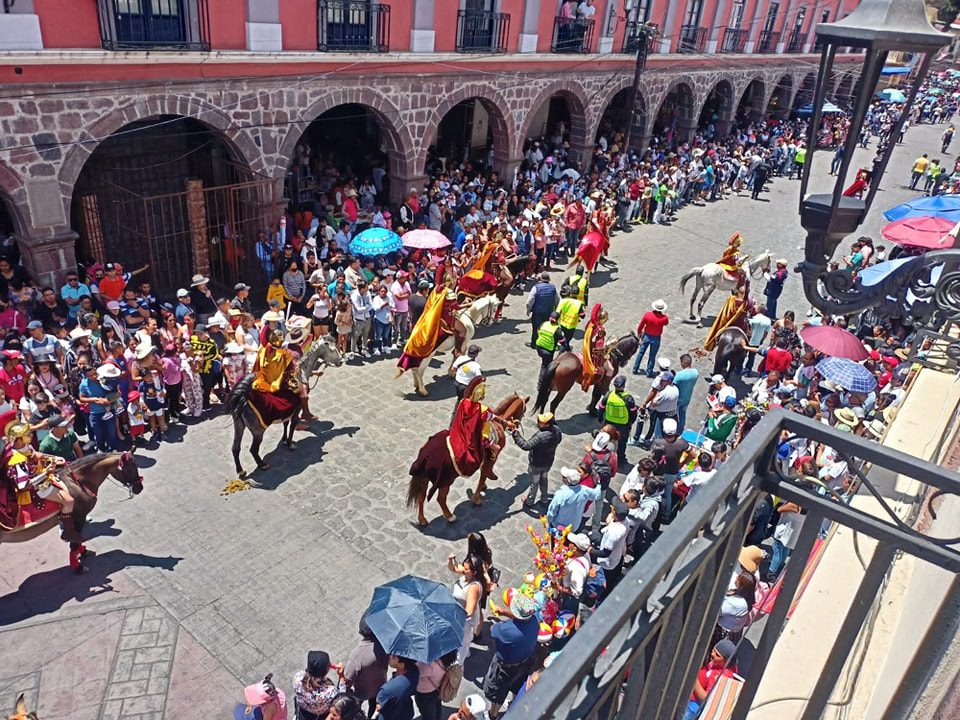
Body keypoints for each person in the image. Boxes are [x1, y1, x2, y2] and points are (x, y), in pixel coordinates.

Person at [483, 594, 539, 718]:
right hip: (526, 661)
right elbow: (521, 618)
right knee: (518, 685)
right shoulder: (535, 619)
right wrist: (503, 612)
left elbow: (493, 630)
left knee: (498, 692)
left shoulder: (506, 630)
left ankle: (492, 715)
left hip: (505, 668)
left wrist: (503, 615)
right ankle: (514, 703)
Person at [509, 411, 562, 507]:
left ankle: (530, 501)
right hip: (548, 462)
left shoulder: (540, 436)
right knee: (544, 479)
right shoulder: (557, 430)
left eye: (541, 422)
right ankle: (544, 498)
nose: (538, 423)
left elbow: (526, 445)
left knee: (534, 482)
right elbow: (559, 440)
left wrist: (515, 433)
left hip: (536, 464)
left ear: (547, 424)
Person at [343, 618, 389, 718]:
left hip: (361, 692)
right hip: (380, 687)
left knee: (355, 711)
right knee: (374, 710)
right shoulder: (386, 644)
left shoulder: (357, 655)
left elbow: (347, 681)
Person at [682, 640, 738, 720]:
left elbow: (706, 699)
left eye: (717, 655)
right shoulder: (718, 663)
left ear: (726, 661)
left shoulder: (720, 677)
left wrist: (693, 679)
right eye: (714, 650)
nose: (712, 654)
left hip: (693, 705)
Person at [650, 418, 689, 525]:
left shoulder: (658, 442)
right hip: (672, 473)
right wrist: (682, 464)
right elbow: (692, 454)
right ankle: (665, 516)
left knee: (654, 492)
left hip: (658, 472)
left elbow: (653, 457)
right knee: (667, 495)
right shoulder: (682, 443)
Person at [449, 553, 484, 663]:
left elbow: (469, 611)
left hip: (463, 619)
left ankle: (459, 663)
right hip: (458, 612)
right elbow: (453, 568)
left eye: (466, 568)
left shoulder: (473, 588)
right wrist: (451, 560)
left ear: (474, 572)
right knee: (462, 638)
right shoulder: (466, 574)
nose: (463, 569)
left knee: (463, 640)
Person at [631, 371, 678, 450]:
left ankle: (642, 440)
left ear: (669, 381)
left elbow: (654, 403)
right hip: (668, 412)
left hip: (658, 411)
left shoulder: (664, 392)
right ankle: (647, 439)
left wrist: (645, 404)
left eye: (664, 380)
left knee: (650, 424)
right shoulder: (676, 389)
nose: (661, 381)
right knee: (653, 426)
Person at [294, 650, 347, 720]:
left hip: (303, 711)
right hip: (320, 716)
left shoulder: (297, 678)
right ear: (326, 670)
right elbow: (341, 697)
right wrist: (341, 676)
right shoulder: (330, 692)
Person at [596, 374, 638, 464]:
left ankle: (604, 457)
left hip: (609, 423)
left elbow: (601, 408)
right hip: (623, 425)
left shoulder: (608, 395)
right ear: (623, 386)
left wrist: (600, 420)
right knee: (622, 443)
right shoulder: (628, 398)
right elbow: (633, 413)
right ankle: (620, 460)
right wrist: (631, 423)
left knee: (607, 440)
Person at [546, 465, 601, 531]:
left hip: (558, 526)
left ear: (567, 480)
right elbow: (597, 494)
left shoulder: (560, 494)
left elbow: (552, 512)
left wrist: (549, 523)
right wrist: (599, 483)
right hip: (573, 526)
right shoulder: (584, 491)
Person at [592, 498, 630, 590]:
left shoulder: (614, 533)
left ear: (615, 514)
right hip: (618, 553)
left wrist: (591, 550)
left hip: (608, 561)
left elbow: (606, 553)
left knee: (606, 581)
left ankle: (602, 597)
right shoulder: (626, 521)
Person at [632, 299, 669, 377]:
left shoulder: (647, 315)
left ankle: (635, 369)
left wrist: (639, 334)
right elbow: (666, 323)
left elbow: (640, 326)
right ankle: (649, 372)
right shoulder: (664, 318)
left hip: (646, 336)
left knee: (640, 353)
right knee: (652, 356)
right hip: (656, 338)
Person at [375, 656, 419, 720]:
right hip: (407, 712)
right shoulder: (415, 671)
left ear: (401, 664)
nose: (390, 656)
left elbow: (379, 709)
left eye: (393, 657)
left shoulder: (386, 690)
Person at [526, 272, 559, 347]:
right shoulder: (553, 287)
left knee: (535, 328)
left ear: (540, 279)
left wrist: (528, 310)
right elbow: (557, 300)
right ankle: (545, 342)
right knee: (546, 327)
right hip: (549, 311)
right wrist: (555, 309)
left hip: (537, 312)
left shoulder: (536, 287)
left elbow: (530, 301)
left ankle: (534, 343)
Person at [534, 311, 563, 389]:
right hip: (548, 351)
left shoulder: (544, 324)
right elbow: (562, 341)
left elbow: (538, 332)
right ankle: (541, 384)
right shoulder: (557, 330)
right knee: (545, 366)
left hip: (539, 347)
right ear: (558, 320)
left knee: (545, 364)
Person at [554, 284, 585, 349]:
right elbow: (582, 316)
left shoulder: (564, 300)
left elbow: (557, 312)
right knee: (567, 340)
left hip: (562, 323)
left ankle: (567, 348)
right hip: (571, 325)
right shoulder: (578, 304)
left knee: (564, 337)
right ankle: (561, 353)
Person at [673, 354, 699, 431]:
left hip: (678, 399)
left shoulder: (679, 375)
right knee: (682, 414)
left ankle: (673, 429)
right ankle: (680, 429)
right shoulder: (695, 373)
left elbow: (674, 386)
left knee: (674, 414)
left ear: (683, 363)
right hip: (687, 397)